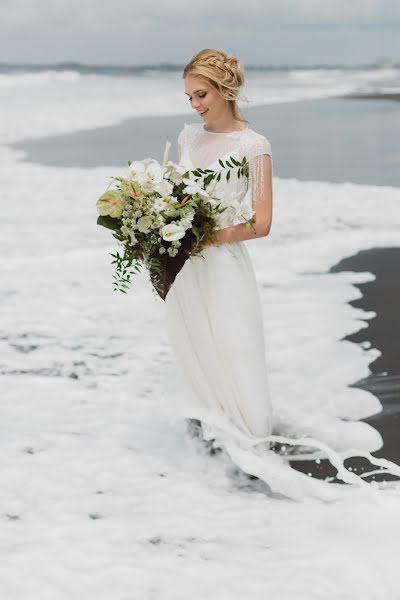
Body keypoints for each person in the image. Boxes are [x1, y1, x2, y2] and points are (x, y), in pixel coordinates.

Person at [162, 48, 399, 501]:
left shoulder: (254, 146)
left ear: (225, 90)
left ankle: (249, 451)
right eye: (189, 96)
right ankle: (210, 441)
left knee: (233, 346)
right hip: (185, 265)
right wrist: (162, 225)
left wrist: (205, 238)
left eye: (201, 94)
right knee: (195, 346)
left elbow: (261, 222)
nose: (194, 105)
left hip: (223, 264)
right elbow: (177, 198)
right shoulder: (189, 139)